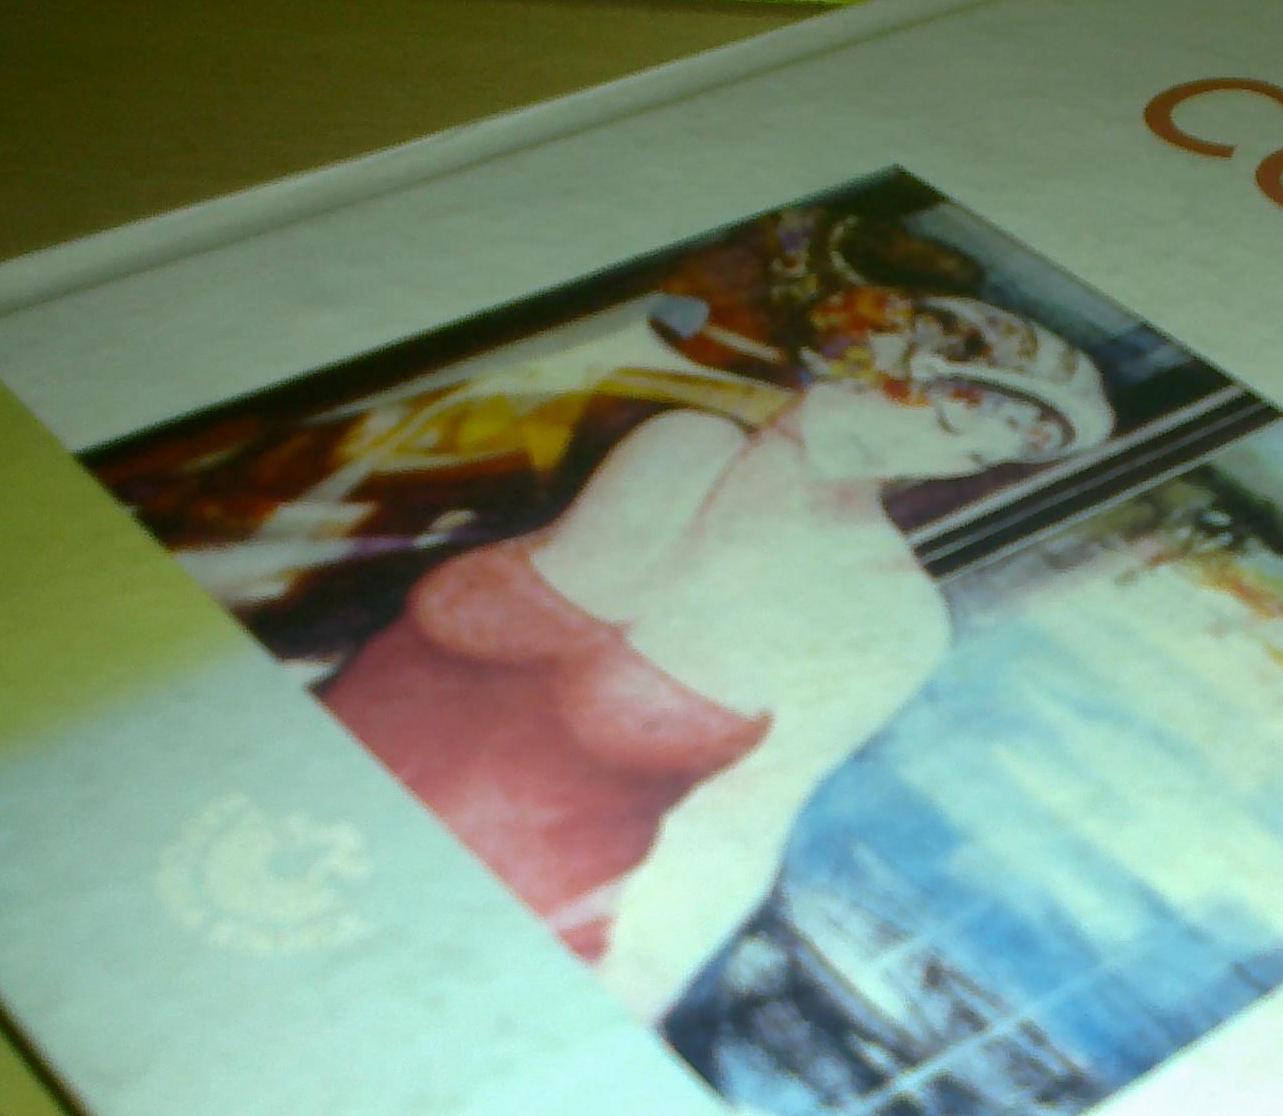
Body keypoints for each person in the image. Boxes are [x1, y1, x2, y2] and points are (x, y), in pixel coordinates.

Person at [319, 286, 1115, 1021]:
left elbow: (738, 828)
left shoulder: (886, 611)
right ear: (869, 359)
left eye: (979, 451)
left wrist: (627, 997)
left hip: (465, 936)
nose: (945, 449)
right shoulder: (670, 441)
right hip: (308, 813)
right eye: (950, 411)